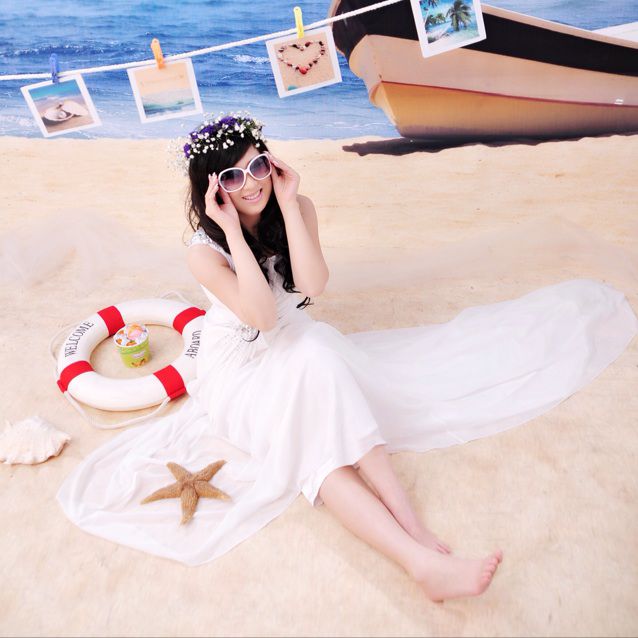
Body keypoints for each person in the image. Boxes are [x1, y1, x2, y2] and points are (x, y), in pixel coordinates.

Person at [57, 110, 638, 603]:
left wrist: (290, 203)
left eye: (258, 165)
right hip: (239, 369)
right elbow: (260, 317)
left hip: (299, 342)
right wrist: (231, 230)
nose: (252, 183)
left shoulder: (296, 205)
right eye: (234, 176)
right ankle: (416, 557)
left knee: (317, 354)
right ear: (214, 190)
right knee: (317, 430)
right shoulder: (204, 251)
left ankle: (408, 522)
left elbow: (314, 285)